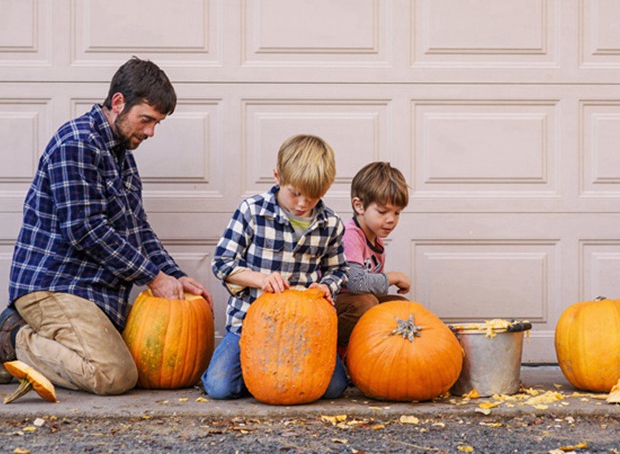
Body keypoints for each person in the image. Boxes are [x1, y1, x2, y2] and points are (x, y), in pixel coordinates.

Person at [0, 57, 212, 395]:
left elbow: (139, 230)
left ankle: (33, 344)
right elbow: (85, 229)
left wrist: (172, 274)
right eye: (146, 120)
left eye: (157, 123)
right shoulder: (77, 143)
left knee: (146, 361)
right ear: (118, 103)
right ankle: (12, 338)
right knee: (115, 374)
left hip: (94, 292)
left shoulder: (121, 156)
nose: (150, 132)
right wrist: (152, 277)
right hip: (57, 284)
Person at [202, 134, 349, 400]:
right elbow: (222, 263)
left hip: (305, 330)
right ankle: (260, 377)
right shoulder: (252, 212)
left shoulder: (331, 224)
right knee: (219, 387)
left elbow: (338, 270)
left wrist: (326, 286)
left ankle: (275, 378)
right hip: (251, 325)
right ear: (278, 176)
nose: (303, 204)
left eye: (313, 196)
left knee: (335, 387)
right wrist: (260, 279)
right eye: (295, 193)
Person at [335, 162, 411, 352]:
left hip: (357, 303)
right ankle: (334, 349)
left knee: (402, 308)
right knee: (365, 304)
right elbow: (356, 283)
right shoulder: (351, 235)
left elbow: (374, 291)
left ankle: (376, 355)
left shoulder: (377, 243)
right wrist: (395, 277)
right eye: (383, 211)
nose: (391, 219)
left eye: (397, 213)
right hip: (335, 305)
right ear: (359, 206)